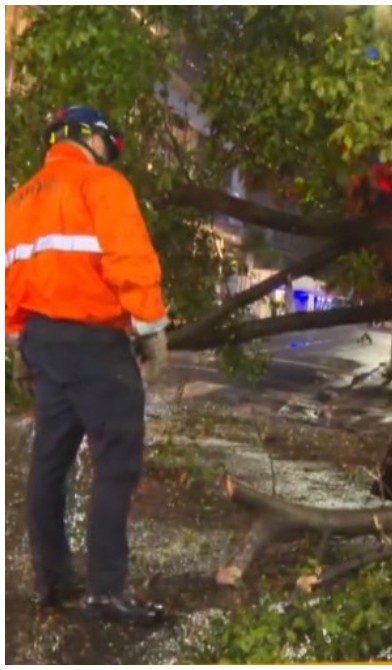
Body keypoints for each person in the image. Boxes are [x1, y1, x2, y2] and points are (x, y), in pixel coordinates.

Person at [5, 105, 170, 625]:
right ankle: (106, 591)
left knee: (50, 461)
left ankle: (52, 581)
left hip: (42, 342)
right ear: (92, 140)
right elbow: (128, 257)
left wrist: (14, 340)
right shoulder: (101, 185)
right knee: (116, 463)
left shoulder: (18, 201)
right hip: (95, 343)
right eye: (107, 145)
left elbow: (9, 276)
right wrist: (151, 326)